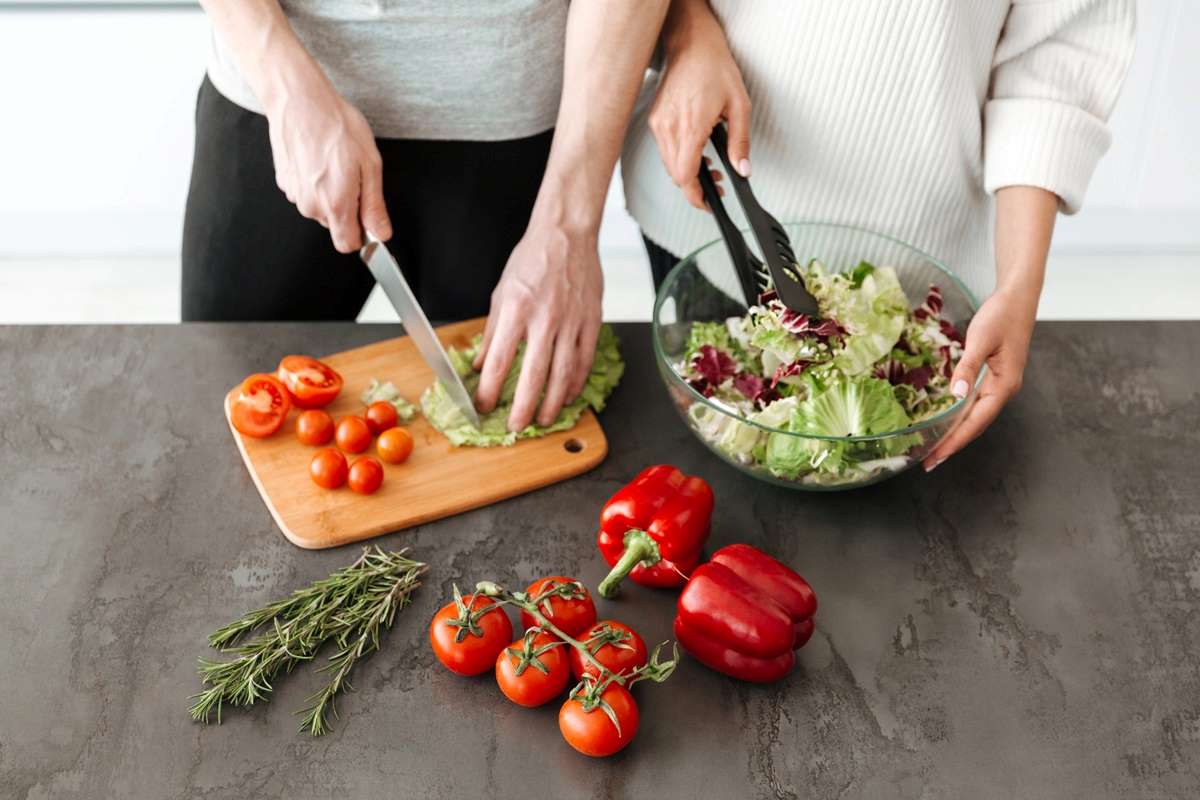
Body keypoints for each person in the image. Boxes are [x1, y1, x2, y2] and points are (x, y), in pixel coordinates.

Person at [621, 0, 1135, 470]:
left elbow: (1054, 61)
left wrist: (1019, 285)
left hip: (922, 285)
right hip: (706, 212)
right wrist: (686, 29)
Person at [184, 0, 667, 432]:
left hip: (516, 129)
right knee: (219, 400)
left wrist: (569, 225)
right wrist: (285, 89)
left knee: (511, 439)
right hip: (280, 107)